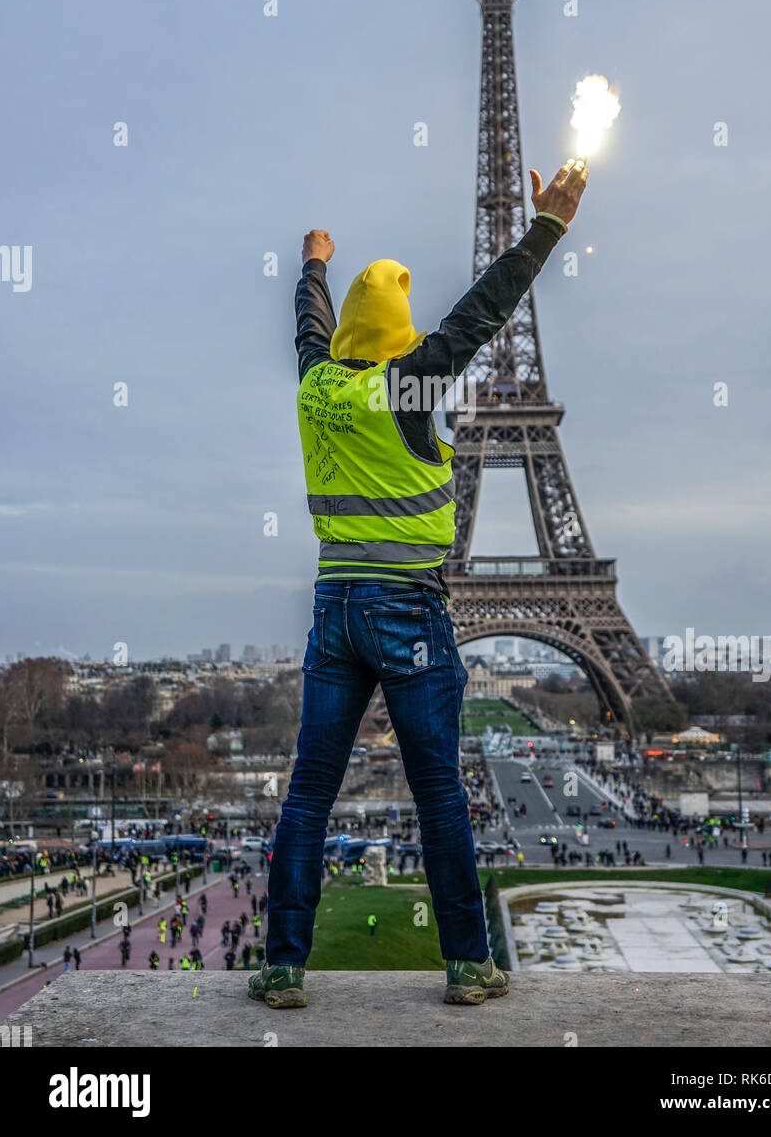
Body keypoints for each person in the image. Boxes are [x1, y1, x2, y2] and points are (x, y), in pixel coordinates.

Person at [251, 160, 587, 1012]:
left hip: (336, 608)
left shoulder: (319, 384)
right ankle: (468, 963)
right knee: (440, 792)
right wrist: (546, 227)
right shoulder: (412, 384)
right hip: (408, 606)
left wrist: (314, 267)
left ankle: (283, 965)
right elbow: (481, 313)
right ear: (401, 339)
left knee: (309, 793)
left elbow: (308, 331)